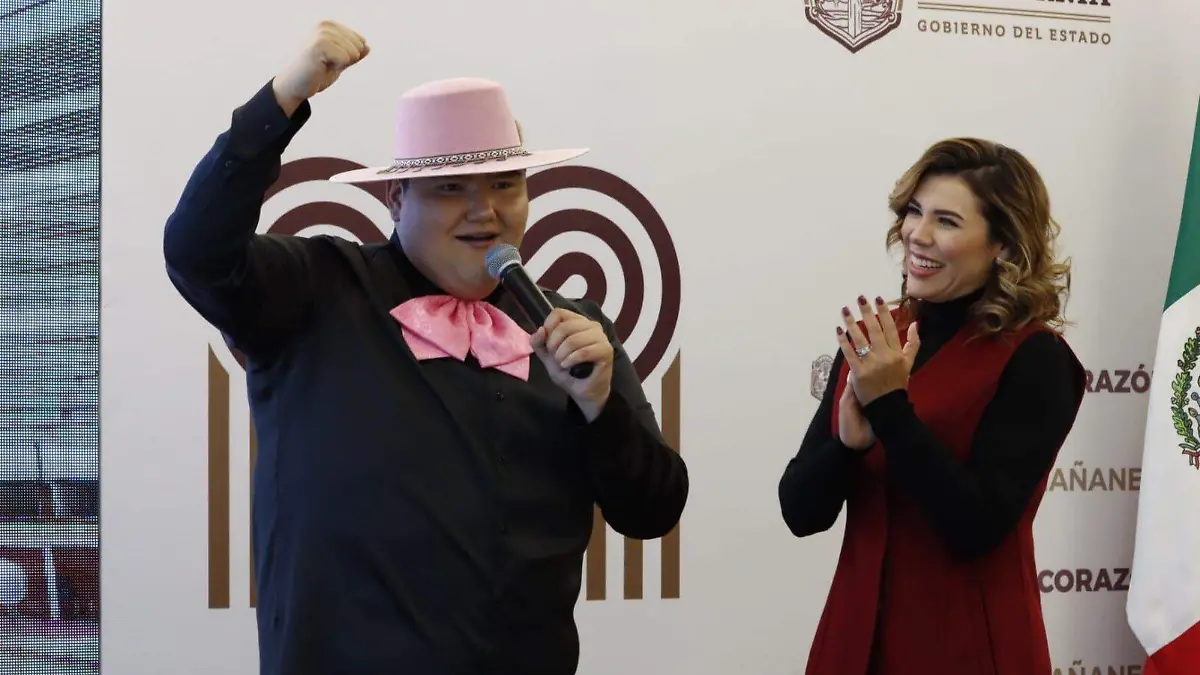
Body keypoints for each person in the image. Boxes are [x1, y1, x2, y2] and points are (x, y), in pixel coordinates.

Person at [162, 21, 688, 675]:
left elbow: (653, 509)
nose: (485, 211)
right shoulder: (316, 288)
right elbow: (197, 253)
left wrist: (601, 408)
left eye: (505, 184)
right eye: (450, 187)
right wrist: (281, 100)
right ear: (396, 197)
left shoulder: (573, 327)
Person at [777, 138, 1086, 675]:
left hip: (968, 650)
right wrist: (847, 447)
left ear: (1003, 244)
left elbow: (975, 527)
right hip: (852, 643)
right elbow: (800, 513)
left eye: (946, 221)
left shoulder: (1037, 357)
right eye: (914, 212)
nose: (917, 234)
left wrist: (889, 408)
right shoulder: (876, 338)